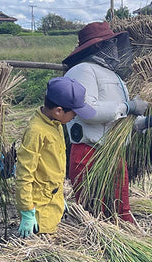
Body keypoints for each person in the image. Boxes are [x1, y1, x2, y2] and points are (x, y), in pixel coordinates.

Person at [62, 22, 152, 224]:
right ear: (96, 46)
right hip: (90, 152)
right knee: (95, 215)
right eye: (109, 43)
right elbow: (88, 111)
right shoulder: (83, 71)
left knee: (120, 211)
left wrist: (144, 122)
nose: (114, 47)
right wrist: (128, 107)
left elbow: (117, 119)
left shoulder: (114, 75)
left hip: (113, 153)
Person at [15, 76, 96, 237]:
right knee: (42, 251)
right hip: (39, 209)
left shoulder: (56, 124)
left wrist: (59, 197)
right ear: (59, 110)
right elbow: (24, 174)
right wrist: (27, 211)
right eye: (74, 113)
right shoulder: (36, 131)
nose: (75, 116)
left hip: (53, 200)